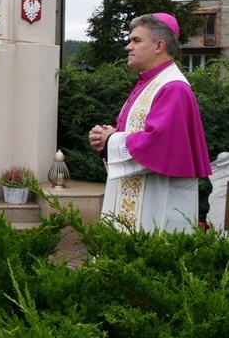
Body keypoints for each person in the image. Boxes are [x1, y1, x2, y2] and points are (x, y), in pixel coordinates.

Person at [88, 13, 212, 232]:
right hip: (141, 194)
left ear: (159, 46)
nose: (128, 47)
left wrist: (112, 140)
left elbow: (158, 142)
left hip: (158, 199)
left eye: (136, 40)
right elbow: (141, 133)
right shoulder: (150, 82)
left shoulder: (173, 87)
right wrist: (108, 140)